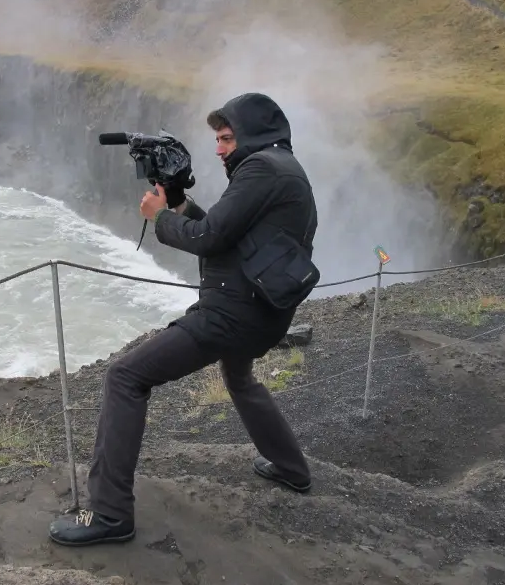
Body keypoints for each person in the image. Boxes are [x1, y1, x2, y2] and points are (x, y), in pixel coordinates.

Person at [48, 92, 317, 547]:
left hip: (232, 314)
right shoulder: (283, 169)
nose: (219, 149)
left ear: (253, 134)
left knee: (125, 377)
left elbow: (208, 238)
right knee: (239, 378)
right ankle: (292, 468)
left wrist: (158, 218)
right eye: (218, 140)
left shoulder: (260, 169)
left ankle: (110, 515)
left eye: (227, 138)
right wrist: (177, 204)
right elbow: (230, 235)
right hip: (264, 313)